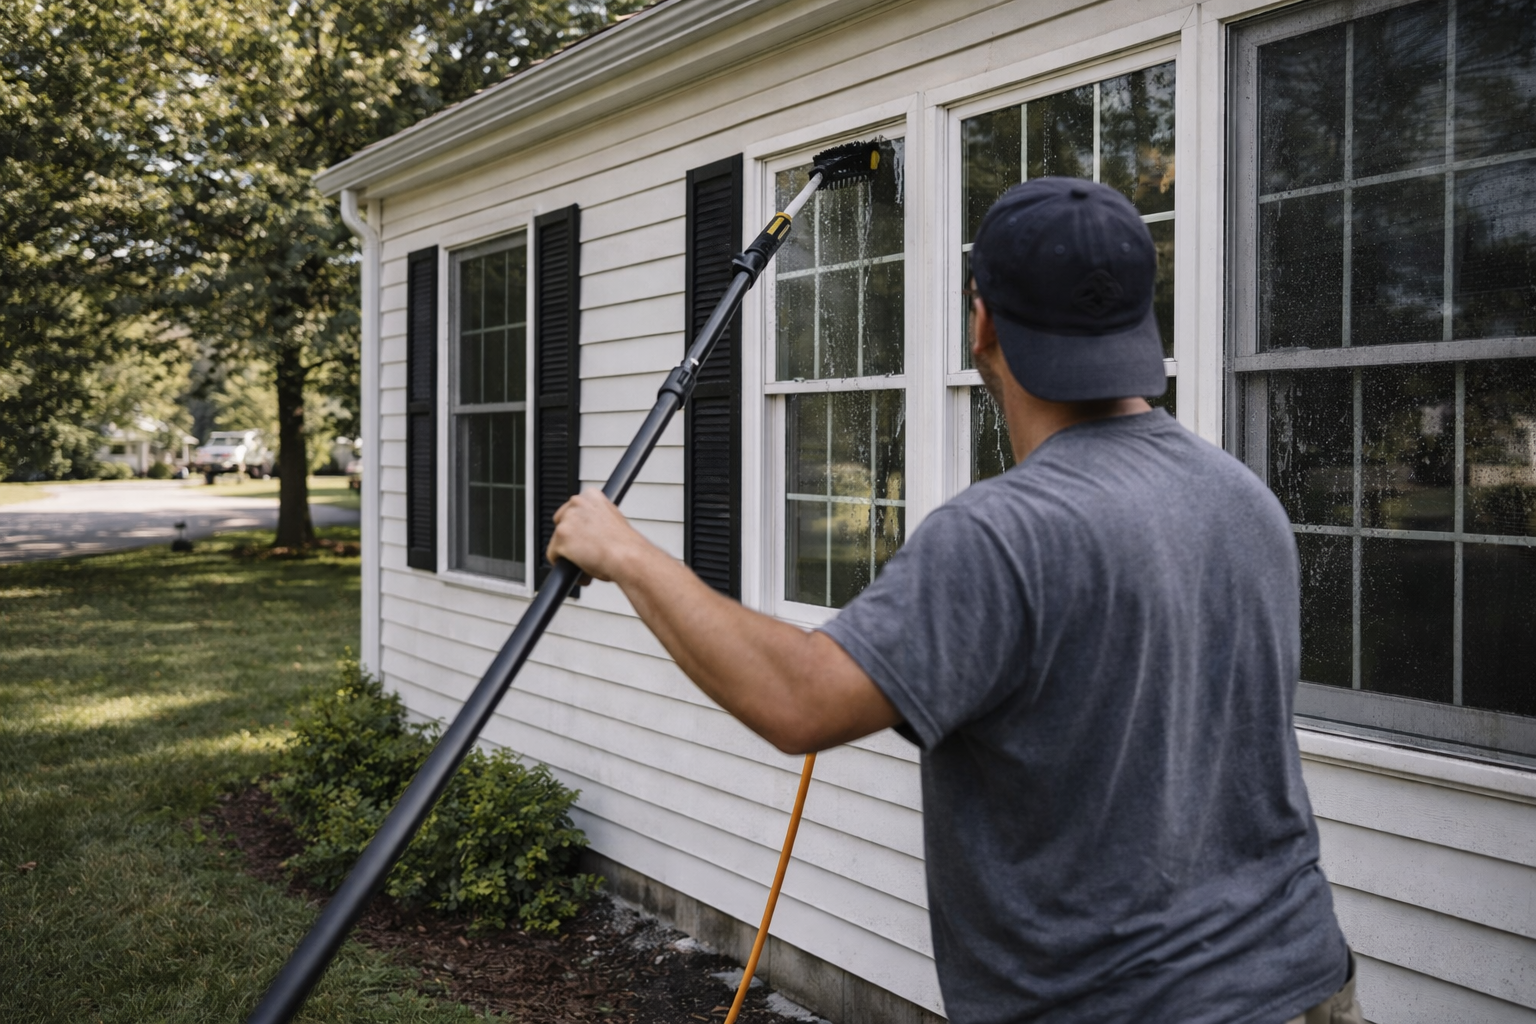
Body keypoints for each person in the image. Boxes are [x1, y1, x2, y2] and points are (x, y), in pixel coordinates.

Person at [547, 177, 1360, 1024]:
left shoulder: (1002, 533)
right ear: (1135, 323)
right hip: (1306, 979)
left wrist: (625, 551)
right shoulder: (1241, 497)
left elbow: (801, 700)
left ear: (983, 323)